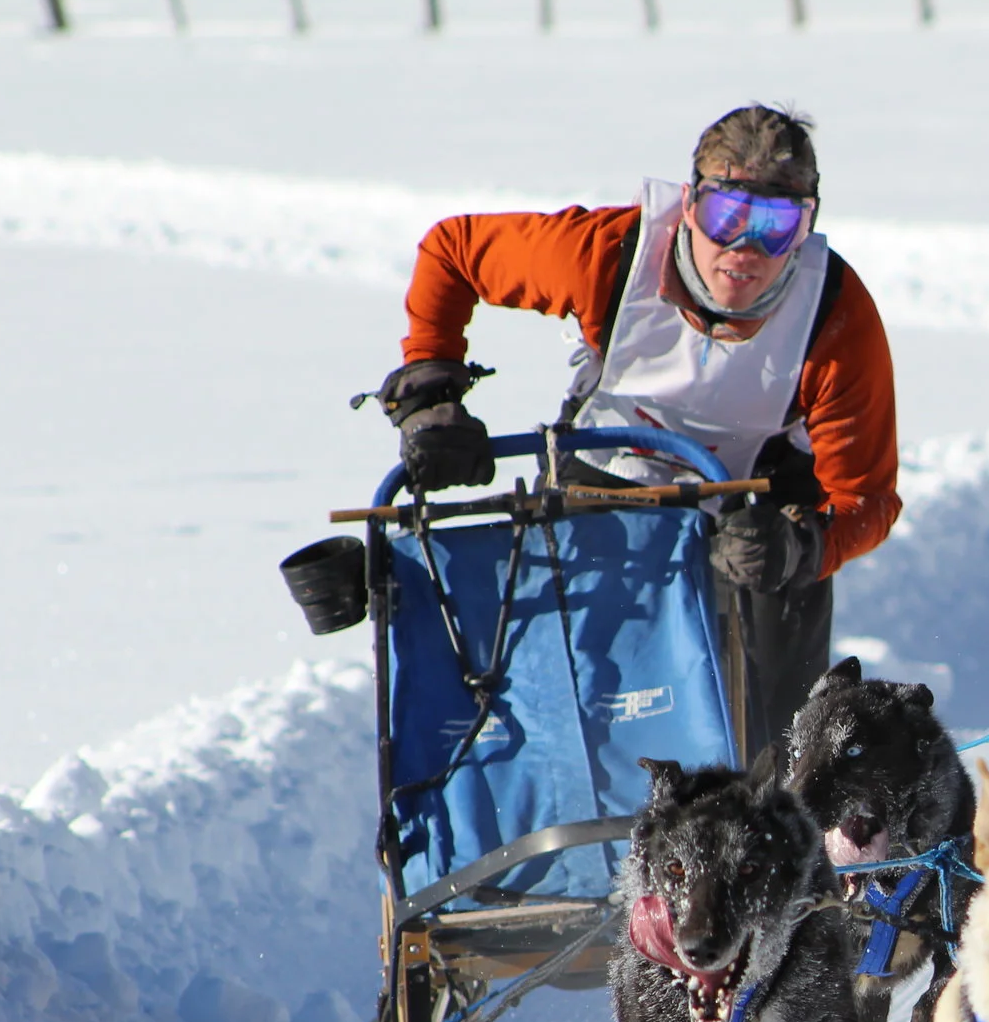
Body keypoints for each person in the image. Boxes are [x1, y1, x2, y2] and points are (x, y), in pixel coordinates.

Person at [365, 104, 899, 755]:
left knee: (777, 746)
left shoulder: (837, 316)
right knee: (581, 698)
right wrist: (432, 390)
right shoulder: (608, 255)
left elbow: (866, 499)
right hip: (608, 471)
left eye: (778, 226)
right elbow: (451, 251)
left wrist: (801, 548)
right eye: (727, 215)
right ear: (691, 204)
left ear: (808, 226)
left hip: (757, 507)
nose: (745, 249)